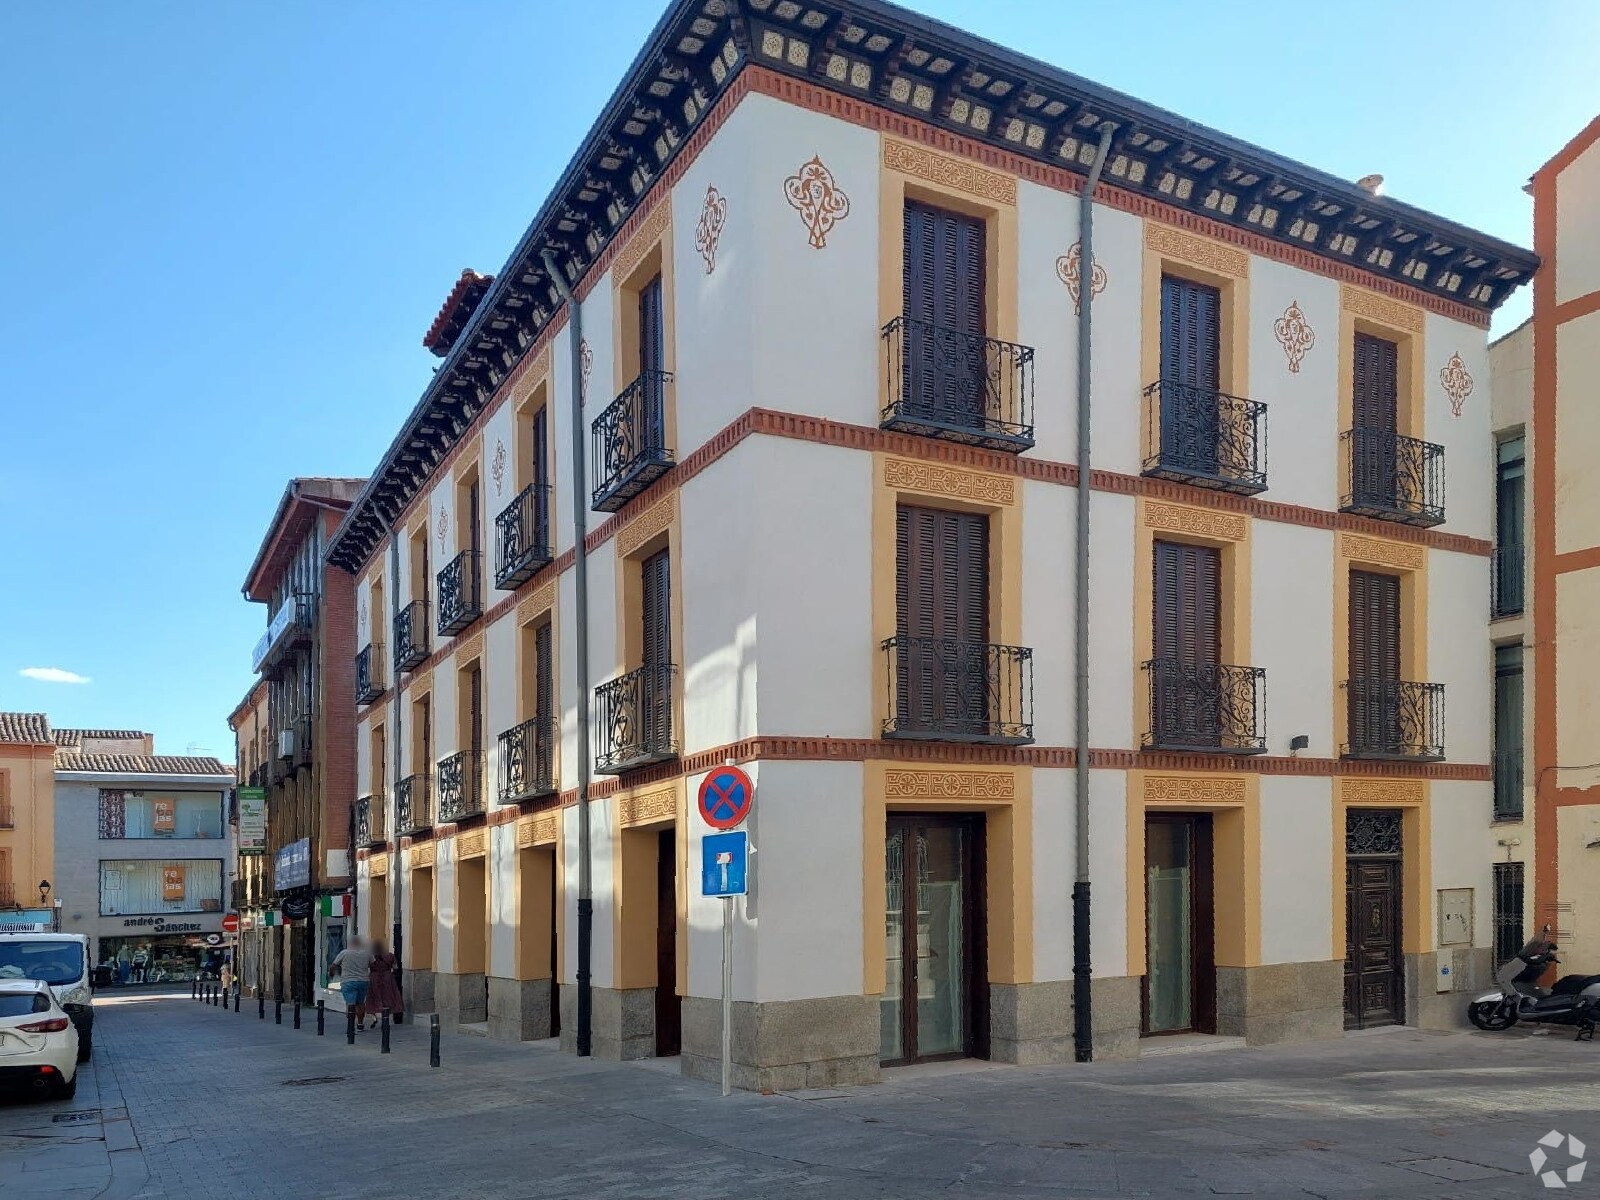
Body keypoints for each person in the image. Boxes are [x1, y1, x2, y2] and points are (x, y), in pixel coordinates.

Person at [329, 936, 373, 1030]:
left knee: (350, 1004)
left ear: (350, 943)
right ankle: (360, 1024)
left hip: (348, 981)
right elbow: (373, 965)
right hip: (363, 981)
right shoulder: (367, 953)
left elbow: (333, 965)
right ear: (360, 943)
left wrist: (331, 974)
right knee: (360, 1003)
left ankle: (351, 1025)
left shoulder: (345, 953)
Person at [367, 939, 403, 1024]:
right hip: (387, 977)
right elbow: (395, 967)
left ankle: (374, 1016)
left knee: (374, 996)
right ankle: (386, 1016)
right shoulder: (390, 955)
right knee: (388, 996)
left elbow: (367, 967)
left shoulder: (371, 956)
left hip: (375, 977)